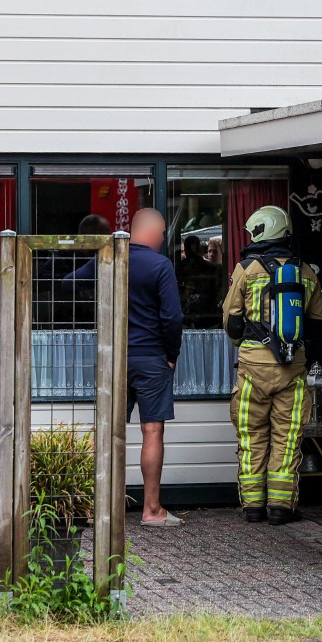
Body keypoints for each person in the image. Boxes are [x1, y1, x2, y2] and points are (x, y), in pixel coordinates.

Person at [67, 208, 185, 526]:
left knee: (109, 432)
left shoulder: (108, 258)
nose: (163, 238)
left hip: (114, 358)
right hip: (151, 359)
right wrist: (171, 353)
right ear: (151, 231)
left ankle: (100, 509)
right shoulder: (160, 265)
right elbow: (172, 317)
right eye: (162, 233)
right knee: (152, 430)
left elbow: (66, 284)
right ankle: (151, 510)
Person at [222, 205, 322, 525]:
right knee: (288, 436)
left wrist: (247, 346)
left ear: (262, 230)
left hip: (253, 367)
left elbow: (231, 321)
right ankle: (281, 507)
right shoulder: (306, 272)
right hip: (292, 369)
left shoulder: (246, 269)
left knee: (251, 435)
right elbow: (317, 324)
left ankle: (253, 507)